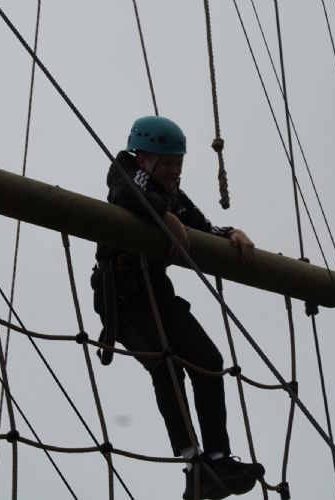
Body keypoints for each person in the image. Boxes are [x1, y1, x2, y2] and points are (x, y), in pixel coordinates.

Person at [90, 116, 265, 499]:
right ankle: (193, 464)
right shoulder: (126, 172)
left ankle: (217, 458)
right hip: (123, 299)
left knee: (208, 359)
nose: (174, 171)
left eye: (178, 163)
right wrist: (165, 217)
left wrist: (231, 232)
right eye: (166, 163)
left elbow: (199, 225)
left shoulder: (171, 196)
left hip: (158, 293)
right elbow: (126, 193)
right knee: (165, 363)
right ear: (143, 157)